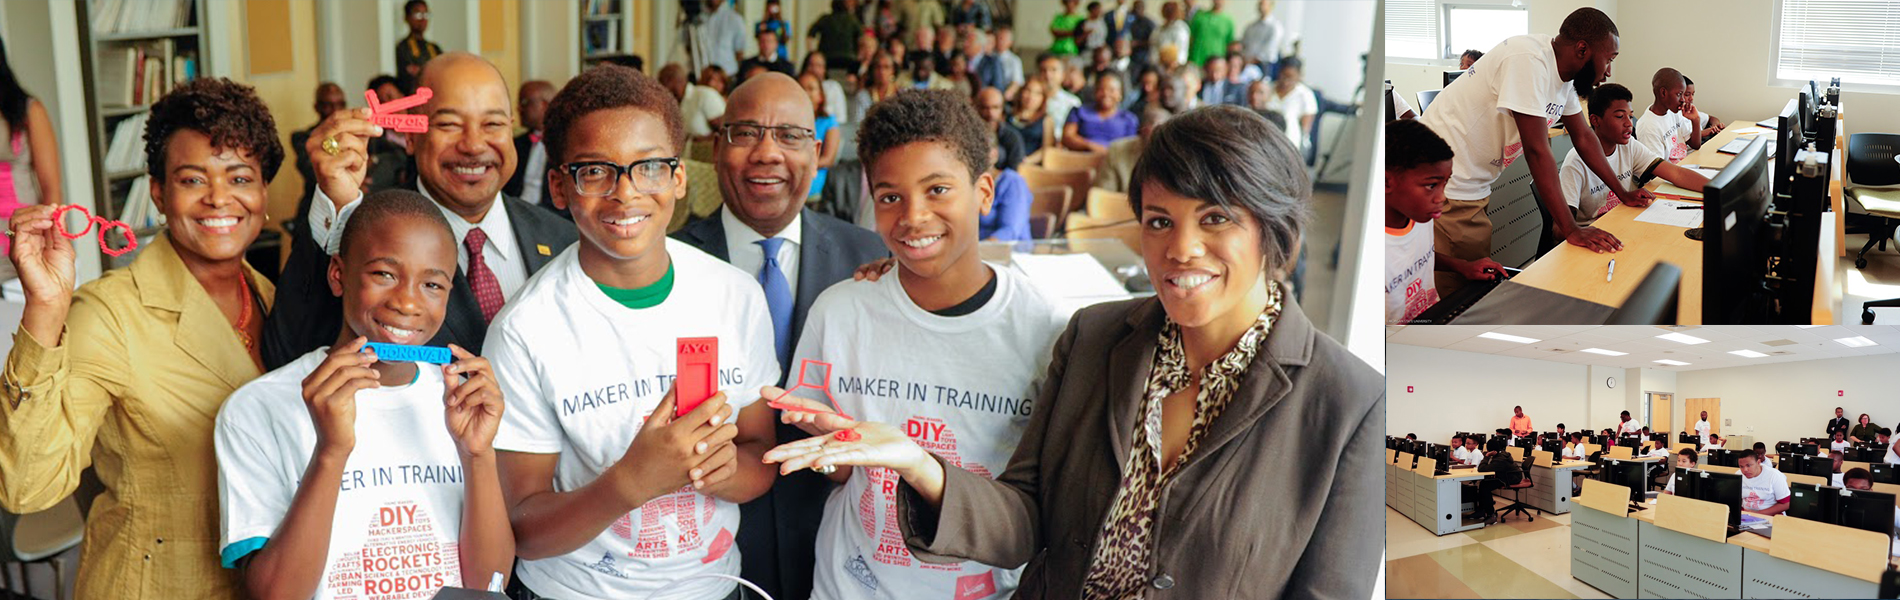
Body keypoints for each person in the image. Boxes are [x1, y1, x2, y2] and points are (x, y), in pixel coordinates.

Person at [762, 105, 1383, 598]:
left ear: (1273, 225)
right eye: (1159, 221)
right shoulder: (1096, 340)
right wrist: (917, 464)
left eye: (1215, 218)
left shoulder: (1348, 404)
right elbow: (1026, 517)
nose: (1181, 248)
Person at [485, 64, 778, 600]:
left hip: (714, 588)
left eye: (649, 167)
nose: (625, 193)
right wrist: (630, 482)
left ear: (679, 177)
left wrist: (721, 470)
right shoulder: (526, 329)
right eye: (596, 171)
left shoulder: (735, 296)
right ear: (559, 186)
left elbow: (760, 451)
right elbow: (523, 528)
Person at [761, 87, 1068, 600]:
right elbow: (840, 474)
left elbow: (1044, 501)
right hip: (849, 587)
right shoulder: (839, 313)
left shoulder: (1045, 329)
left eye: (937, 190)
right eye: (890, 197)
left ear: (984, 192)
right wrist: (829, 450)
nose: (913, 216)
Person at [0, 77, 284, 600]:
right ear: (159, 193)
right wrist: (45, 309)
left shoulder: (274, 299)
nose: (219, 197)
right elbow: (28, 488)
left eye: (240, 177)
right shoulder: (110, 313)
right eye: (192, 179)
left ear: (263, 192)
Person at [214, 191, 515, 598]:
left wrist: (478, 456)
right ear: (338, 275)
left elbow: (489, 584)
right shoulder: (256, 409)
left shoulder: (462, 404)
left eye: (432, 284)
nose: (407, 303)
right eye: (384, 275)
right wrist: (331, 451)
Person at [670, 72, 886, 600]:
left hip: (842, 545)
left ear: (816, 153)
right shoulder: (667, 265)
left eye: (789, 136)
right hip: (709, 551)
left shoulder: (872, 260)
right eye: (746, 132)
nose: (767, 153)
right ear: (715, 148)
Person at [268, 53, 579, 367]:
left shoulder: (564, 239)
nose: (473, 145)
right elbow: (291, 351)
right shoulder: (367, 233)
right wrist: (334, 202)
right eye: (449, 124)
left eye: (493, 124)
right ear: (410, 136)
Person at [1417, 8, 1645, 296]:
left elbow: (1584, 136)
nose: (1608, 71)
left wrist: (1622, 193)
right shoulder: (1528, 60)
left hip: (1471, 180)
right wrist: (1570, 229)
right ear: (1582, 49)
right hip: (1449, 181)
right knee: (1460, 293)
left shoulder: (1562, 78)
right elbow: (1537, 151)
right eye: (1609, 59)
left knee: (1470, 282)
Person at [1385, 119, 1505, 323]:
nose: (1441, 197)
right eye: (1431, 185)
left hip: (1431, 319)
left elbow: (1418, 256)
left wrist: (1463, 266)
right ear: (1387, 182)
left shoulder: (1418, 216)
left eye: (1445, 183)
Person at [1558, 83, 1708, 233]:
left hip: (1625, 222)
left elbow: (1676, 174)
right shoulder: (1575, 163)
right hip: (1597, 232)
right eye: (1619, 116)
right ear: (1595, 120)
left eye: (1630, 116)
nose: (1629, 124)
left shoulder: (1629, 145)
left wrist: (1714, 189)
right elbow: (1558, 230)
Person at [291, 83, 347, 234]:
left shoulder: (355, 135)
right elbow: (312, 172)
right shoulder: (304, 138)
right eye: (329, 105)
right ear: (317, 107)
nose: (335, 111)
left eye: (340, 104)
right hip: (316, 213)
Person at [505, 80, 558, 212]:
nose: (518, 109)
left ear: (544, 105)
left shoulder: (567, 143)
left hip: (551, 215)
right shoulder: (516, 143)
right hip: (515, 211)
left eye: (524, 103)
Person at [1634, 68, 1700, 163]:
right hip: (1670, 171)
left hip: (1683, 165)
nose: (1683, 100)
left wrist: (1696, 120)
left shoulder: (1674, 112)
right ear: (1663, 93)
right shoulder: (1648, 127)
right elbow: (1658, 168)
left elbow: (1695, 145)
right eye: (1679, 94)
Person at [1096, 106, 1169, 193]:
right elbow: (1103, 193)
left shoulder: (1174, 155)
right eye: (1153, 126)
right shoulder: (1117, 150)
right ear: (1143, 129)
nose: (1158, 134)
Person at [1062, 75, 1138, 153]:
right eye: (1101, 89)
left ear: (1120, 95)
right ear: (1095, 92)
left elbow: (1130, 148)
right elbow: (1067, 137)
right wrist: (1090, 146)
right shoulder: (1079, 111)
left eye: (1111, 90)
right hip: (1082, 157)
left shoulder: (1129, 119)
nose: (1106, 94)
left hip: (1114, 158)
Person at [799, 73, 843, 200]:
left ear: (820, 96)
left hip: (816, 181)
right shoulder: (788, 120)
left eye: (811, 88)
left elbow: (828, 159)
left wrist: (801, 165)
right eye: (801, 88)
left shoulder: (829, 122)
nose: (805, 93)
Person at [659, 63, 728, 141]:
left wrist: (697, 141)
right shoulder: (673, 104)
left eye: (662, 81)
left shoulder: (704, 95)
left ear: (671, 81)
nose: (661, 87)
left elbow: (725, 131)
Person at [1263, 57, 1318, 151]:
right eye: (1283, 75)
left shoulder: (1305, 95)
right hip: (1266, 140)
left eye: (1290, 76)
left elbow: (1305, 129)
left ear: (1299, 75)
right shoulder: (1268, 89)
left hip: (1291, 143)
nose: (1286, 80)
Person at [685, 0, 748, 80]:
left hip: (727, 77)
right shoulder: (695, 17)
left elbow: (739, 53)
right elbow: (688, 47)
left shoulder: (736, 19)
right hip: (700, 77)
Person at [1037, 53, 1084, 148]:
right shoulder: (1030, 99)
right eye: (1043, 70)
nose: (1048, 75)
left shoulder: (1073, 102)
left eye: (1053, 70)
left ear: (1063, 75)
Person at [394, 0, 441, 93]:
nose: (422, 19)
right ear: (407, 17)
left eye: (425, 14)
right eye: (418, 14)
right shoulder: (403, 47)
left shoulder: (434, 47)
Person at [1472, 438, 1521, 524]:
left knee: (1485, 487)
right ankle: (1482, 510)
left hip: (1511, 479)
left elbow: (1481, 469)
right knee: (1483, 483)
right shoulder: (1501, 455)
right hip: (1507, 476)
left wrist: (1487, 456)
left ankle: (1491, 515)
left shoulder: (1500, 460)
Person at [976, 87, 1025, 172]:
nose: (990, 113)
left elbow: (1015, 172)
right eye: (985, 108)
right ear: (976, 108)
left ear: (1002, 109)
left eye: (995, 107)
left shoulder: (1012, 137)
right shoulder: (965, 134)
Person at [809, 0, 864, 75]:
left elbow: (810, 35)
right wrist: (859, 56)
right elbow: (861, 39)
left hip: (827, 58)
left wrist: (812, 53)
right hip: (848, 59)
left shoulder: (825, 19)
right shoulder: (852, 20)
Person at [801, 52, 850, 125]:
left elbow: (841, 118)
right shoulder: (797, 85)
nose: (814, 69)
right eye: (811, 65)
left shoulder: (833, 87)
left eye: (819, 65)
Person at [852, 51, 901, 125]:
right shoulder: (863, 95)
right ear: (872, 70)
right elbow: (859, 122)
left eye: (886, 67)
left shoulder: (901, 94)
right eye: (878, 67)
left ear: (893, 70)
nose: (882, 71)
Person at [1737, 452, 1791, 516]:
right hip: (1745, 515)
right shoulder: (1738, 475)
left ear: (1758, 462)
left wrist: (1758, 514)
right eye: (1741, 466)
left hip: (1771, 516)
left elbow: (1786, 504)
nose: (1745, 470)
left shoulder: (1775, 476)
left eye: (1748, 465)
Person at [1241, 0, 1286, 76]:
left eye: (1264, 4)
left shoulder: (1275, 27)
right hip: (1247, 64)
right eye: (1260, 4)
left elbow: (1270, 48)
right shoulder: (1251, 26)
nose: (1261, 7)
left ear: (1271, 6)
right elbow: (1244, 44)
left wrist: (1254, 60)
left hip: (1264, 65)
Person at [1008, 78, 1050, 156]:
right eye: (1028, 90)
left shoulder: (1046, 120)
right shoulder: (1008, 114)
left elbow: (1046, 149)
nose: (1031, 96)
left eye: (1037, 93)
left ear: (1043, 98)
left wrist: (1026, 161)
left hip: (1029, 161)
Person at [1187, 0, 1236, 66]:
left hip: (1216, 65)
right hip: (1197, 62)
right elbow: (1190, 39)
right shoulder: (1199, 17)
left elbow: (1229, 46)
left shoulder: (1228, 22)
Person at [1680, 76, 1725, 143]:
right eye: (1687, 95)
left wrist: (1714, 127)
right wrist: (1702, 133)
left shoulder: (1691, 110)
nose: (1691, 98)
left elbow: (1712, 118)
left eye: (1693, 94)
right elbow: (1683, 138)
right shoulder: (1675, 116)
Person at [1155, 1, 1191, 68]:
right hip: (1160, 65)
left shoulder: (1180, 29)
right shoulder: (1159, 30)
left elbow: (1181, 50)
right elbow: (1154, 46)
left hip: (1176, 66)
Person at [1123, 0, 1158, 67]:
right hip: (1130, 55)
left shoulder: (1149, 24)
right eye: (1134, 8)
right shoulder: (1131, 21)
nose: (1135, 10)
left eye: (1138, 8)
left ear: (1143, 9)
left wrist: (1138, 43)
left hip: (1143, 56)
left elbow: (1153, 41)